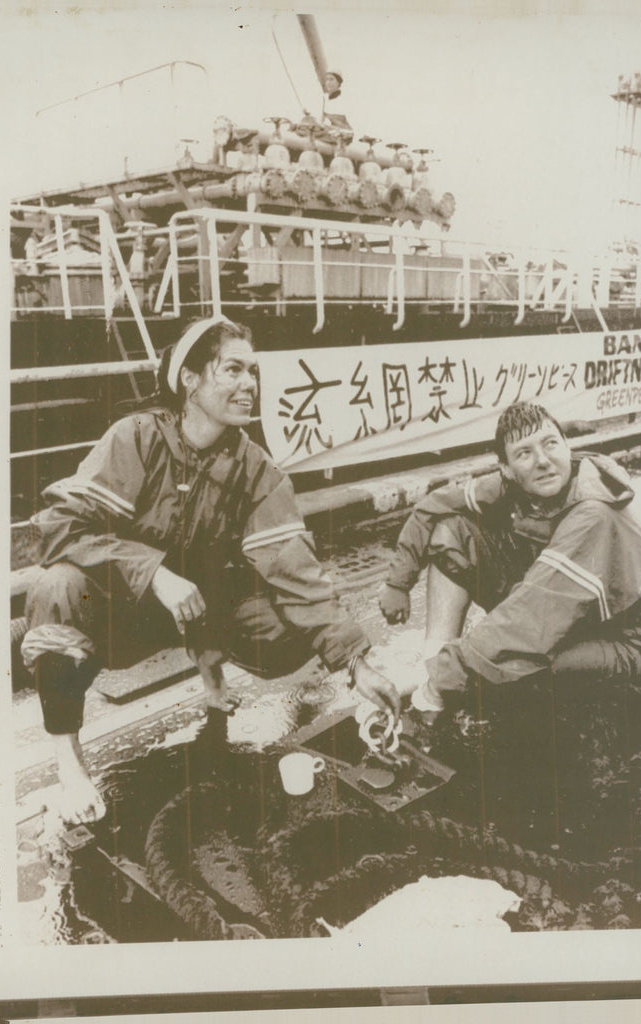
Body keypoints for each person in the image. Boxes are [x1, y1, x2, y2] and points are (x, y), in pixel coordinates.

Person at [21, 316, 400, 824]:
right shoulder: (134, 437)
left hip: (202, 613)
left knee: (286, 626)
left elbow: (296, 567)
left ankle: (210, 669)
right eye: (233, 370)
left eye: (254, 373)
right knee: (57, 588)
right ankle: (68, 757)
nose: (250, 385)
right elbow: (57, 526)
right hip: (123, 613)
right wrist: (153, 572)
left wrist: (357, 663)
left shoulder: (256, 467)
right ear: (190, 380)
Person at [378, 401, 641, 715]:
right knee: (452, 530)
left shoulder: (594, 512)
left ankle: (441, 689)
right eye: (525, 453)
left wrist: (442, 682)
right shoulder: (511, 485)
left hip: (629, 644)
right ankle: (433, 662)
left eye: (550, 444)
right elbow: (433, 505)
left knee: (519, 664)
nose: (543, 461)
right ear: (506, 469)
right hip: (567, 613)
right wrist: (398, 582)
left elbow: (529, 620)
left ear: (567, 446)